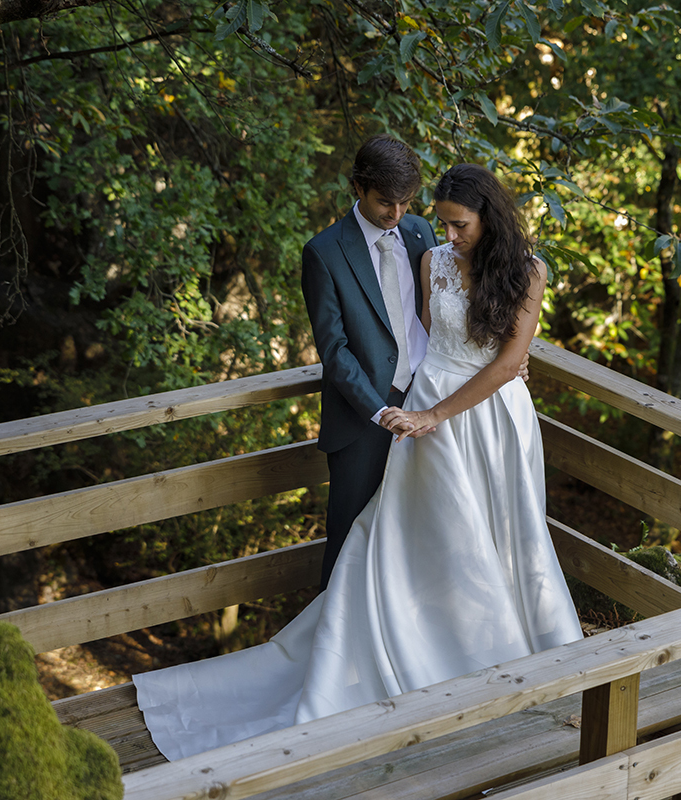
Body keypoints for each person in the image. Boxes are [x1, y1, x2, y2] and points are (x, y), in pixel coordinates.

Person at [132, 163, 583, 761]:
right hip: (429, 409)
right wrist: (422, 408)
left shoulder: (529, 271)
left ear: (489, 217)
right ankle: (425, 653)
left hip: (492, 417)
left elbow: (504, 361)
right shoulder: (431, 259)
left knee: (504, 532)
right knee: (425, 533)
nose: (448, 235)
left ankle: (508, 652)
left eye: (460, 225)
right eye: (444, 224)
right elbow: (422, 336)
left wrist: (460, 395)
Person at [300, 134, 436, 591]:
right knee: (347, 543)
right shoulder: (324, 252)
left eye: (406, 202)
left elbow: (444, 312)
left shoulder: (420, 232)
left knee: (417, 535)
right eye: (385, 202)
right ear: (358, 187)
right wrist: (379, 411)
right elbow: (333, 349)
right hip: (362, 421)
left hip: (426, 406)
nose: (396, 213)